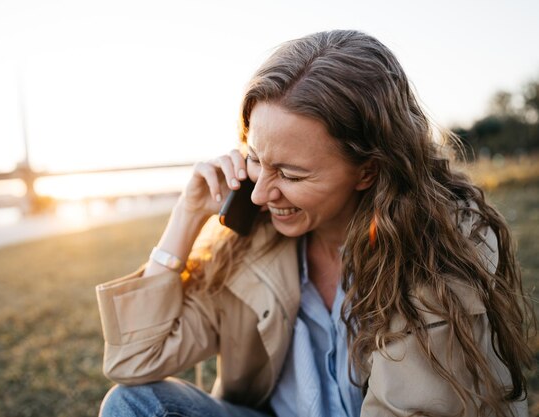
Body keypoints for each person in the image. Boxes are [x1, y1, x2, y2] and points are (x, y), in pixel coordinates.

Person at [95, 30, 534, 417]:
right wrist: (186, 215)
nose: (261, 193)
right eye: (256, 160)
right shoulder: (251, 242)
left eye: (290, 174)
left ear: (368, 170)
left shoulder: (440, 249)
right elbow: (134, 361)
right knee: (131, 405)